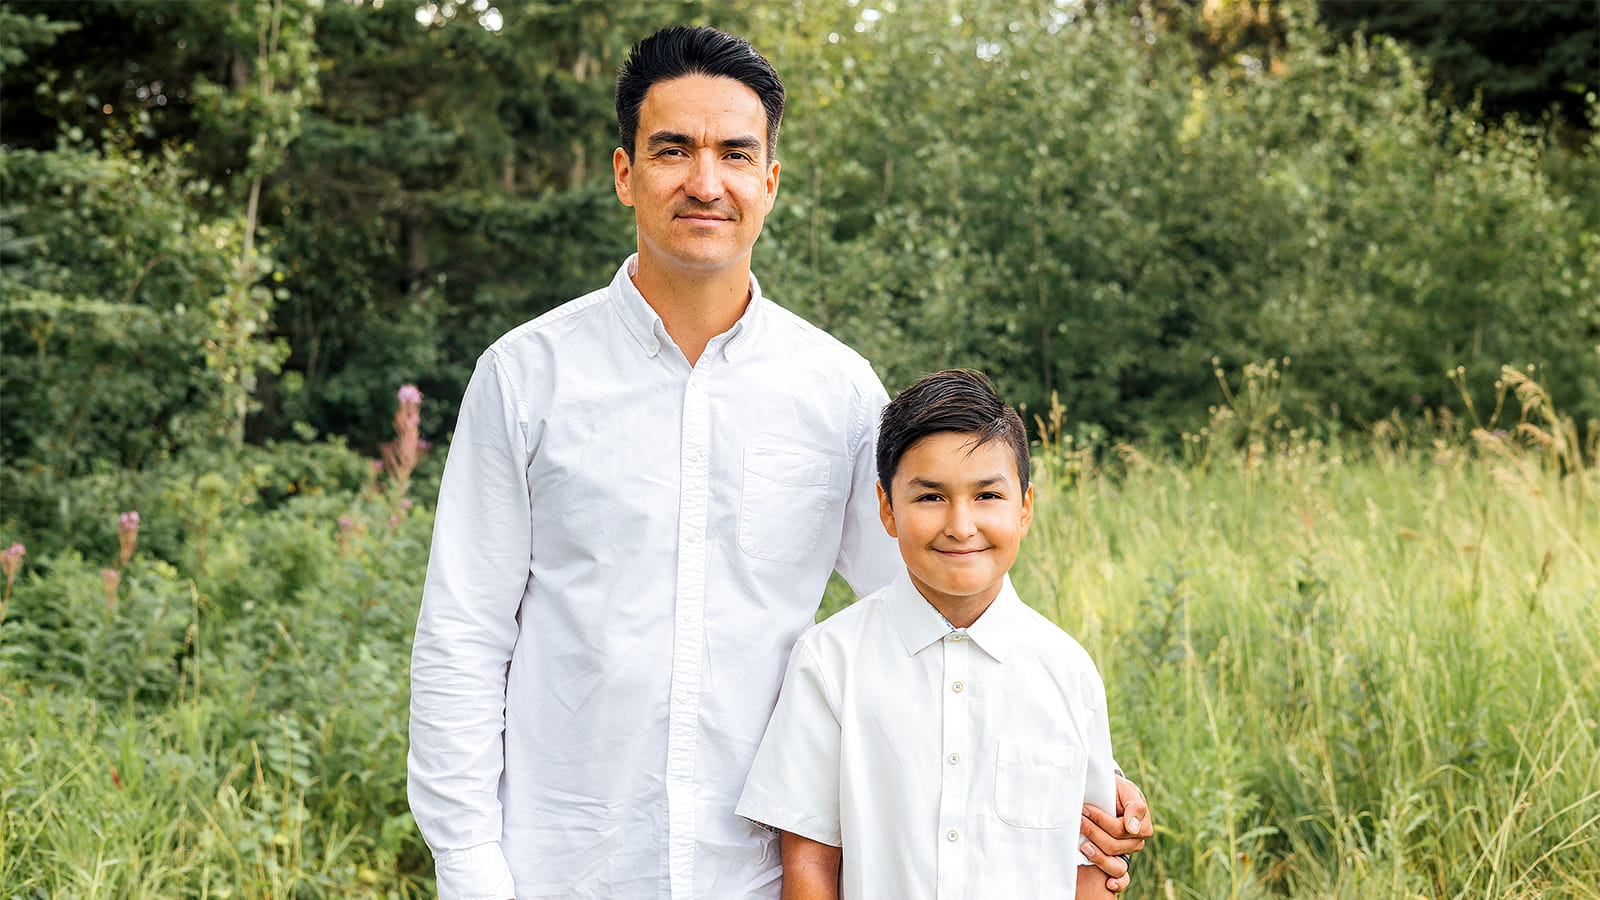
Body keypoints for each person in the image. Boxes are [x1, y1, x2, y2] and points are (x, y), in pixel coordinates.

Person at [407, 26, 1150, 900]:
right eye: (672, 150)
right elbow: (462, 640)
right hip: (563, 867)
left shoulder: (835, 392)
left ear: (770, 182)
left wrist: (1060, 771)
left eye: (734, 153)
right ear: (623, 173)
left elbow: (927, 619)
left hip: (761, 874)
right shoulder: (526, 377)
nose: (705, 181)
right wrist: (471, 873)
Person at [735, 369, 1123, 899]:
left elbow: (1096, 863)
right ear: (887, 509)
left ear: (1025, 508)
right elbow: (809, 865)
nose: (961, 525)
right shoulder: (832, 660)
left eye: (987, 496)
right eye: (930, 498)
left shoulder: (1067, 670)